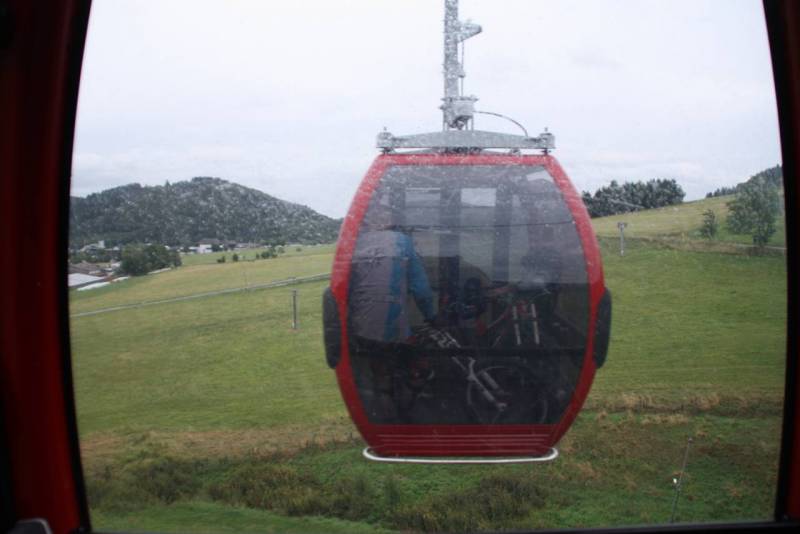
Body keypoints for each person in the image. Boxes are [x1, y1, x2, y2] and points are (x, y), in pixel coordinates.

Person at [348, 198, 436, 421]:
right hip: (392, 325)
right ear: (392, 221)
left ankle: (382, 402)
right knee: (414, 355)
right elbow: (421, 289)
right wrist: (432, 316)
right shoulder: (402, 242)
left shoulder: (356, 244)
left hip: (360, 326)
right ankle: (408, 400)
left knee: (379, 365)